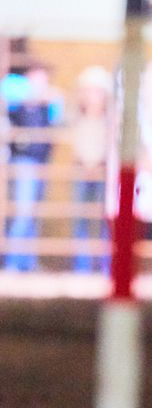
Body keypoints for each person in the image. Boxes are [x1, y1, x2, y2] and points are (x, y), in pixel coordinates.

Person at [3, 63, 62, 271]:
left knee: (33, 213)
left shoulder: (48, 106)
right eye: (38, 77)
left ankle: (27, 262)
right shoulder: (17, 104)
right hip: (23, 162)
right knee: (23, 213)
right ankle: (12, 264)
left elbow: (58, 124)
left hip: (41, 163)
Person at [71, 66, 114, 273]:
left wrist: (97, 164)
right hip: (82, 171)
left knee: (104, 220)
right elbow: (77, 145)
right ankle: (83, 266)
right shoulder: (78, 119)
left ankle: (106, 266)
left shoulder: (110, 121)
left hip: (102, 173)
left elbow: (109, 145)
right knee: (81, 219)